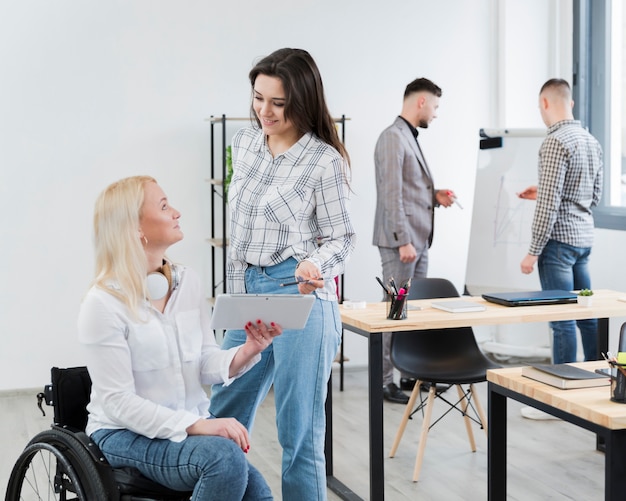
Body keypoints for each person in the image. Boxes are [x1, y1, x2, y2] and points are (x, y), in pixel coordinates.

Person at [209, 48, 355, 501]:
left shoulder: (323, 160)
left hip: (301, 295)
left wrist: (317, 266)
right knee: (220, 416)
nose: (265, 112)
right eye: (258, 98)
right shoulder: (245, 144)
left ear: (302, 99)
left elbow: (342, 238)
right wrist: (231, 301)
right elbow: (238, 227)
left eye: (278, 102)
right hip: (250, 289)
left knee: (299, 435)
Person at [78, 176, 280, 501]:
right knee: (224, 459)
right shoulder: (102, 304)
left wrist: (247, 350)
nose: (177, 212)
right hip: (123, 433)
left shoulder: (187, 282)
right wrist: (197, 426)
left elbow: (203, 360)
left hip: (187, 426)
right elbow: (119, 402)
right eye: (163, 206)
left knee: (258, 494)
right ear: (136, 229)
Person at [372, 77, 457, 404]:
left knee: (413, 310)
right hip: (402, 243)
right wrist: (402, 241)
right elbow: (391, 195)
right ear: (421, 101)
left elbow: (409, 189)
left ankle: (409, 373)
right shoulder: (393, 137)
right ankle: (382, 382)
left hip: (417, 240)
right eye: (435, 106)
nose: (435, 113)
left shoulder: (407, 136)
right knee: (394, 311)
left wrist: (434, 196)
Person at [519, 78, 603, 364]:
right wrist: (546, 191)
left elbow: (549, 205)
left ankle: (562, 395)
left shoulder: (554, 142)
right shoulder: (591, 141)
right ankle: (596, 385)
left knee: (562, 320)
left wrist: (532, 251)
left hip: (558, 245)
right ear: (571, 103)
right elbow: (594, 196)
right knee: (586, 316)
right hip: (584, 240)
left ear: (544, 103)